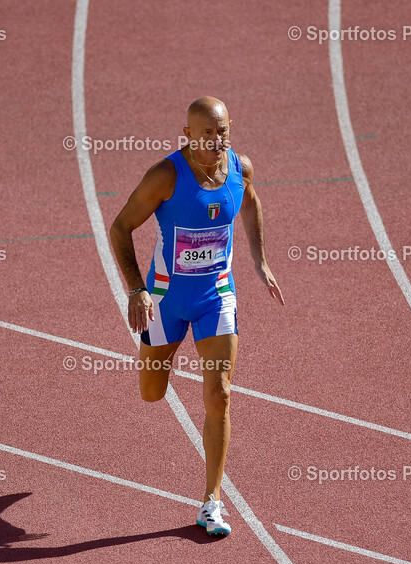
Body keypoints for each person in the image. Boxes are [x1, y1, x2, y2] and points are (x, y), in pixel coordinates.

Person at [109, 96, 284, 536]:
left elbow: (250, 203)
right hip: (166, 300)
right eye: (206, 133)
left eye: (221, 131)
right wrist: (137, 289)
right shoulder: (165, 175)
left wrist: (260, 260)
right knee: (152, 392)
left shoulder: (238, 169)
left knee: (220, 394)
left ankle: (211, 502)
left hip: (216, 296)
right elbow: (120, 226)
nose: (215, 140)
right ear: (187, 134)